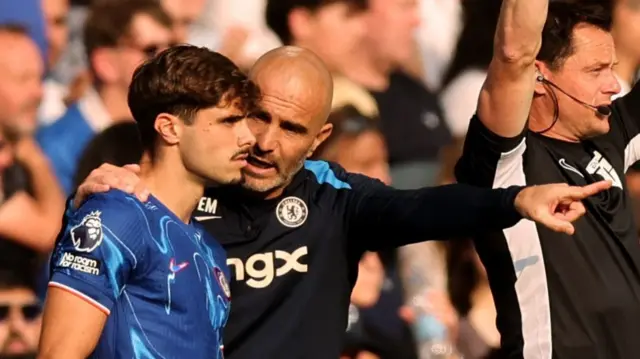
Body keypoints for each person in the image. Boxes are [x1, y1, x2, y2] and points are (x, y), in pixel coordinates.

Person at [74, 46, 610, 359]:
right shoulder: (173, 191)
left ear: (318, 138)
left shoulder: (335, 198)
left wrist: (514, 199)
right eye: (257, 116)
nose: (266, 142)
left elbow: (422, 206)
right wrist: (92, 195)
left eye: (291, 128)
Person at [37, 45, 258, 359]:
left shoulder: (211, 249)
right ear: (169, 128)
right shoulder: (116, 218)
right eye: (229, 121)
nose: (248, 137)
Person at [455, 0, 640, 357]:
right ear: (538, 77)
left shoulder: (612, 135)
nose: (614, 85)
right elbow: (514, 53)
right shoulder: (505, 162)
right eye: (596, 70)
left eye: (613, 68)